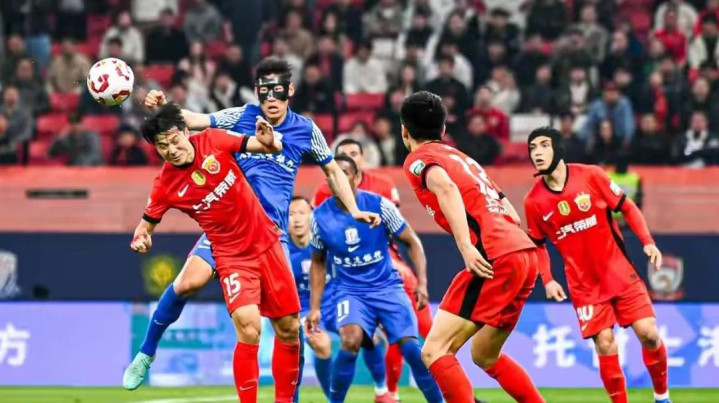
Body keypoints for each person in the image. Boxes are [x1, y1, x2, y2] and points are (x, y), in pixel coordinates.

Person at [124, 58, 380, 403]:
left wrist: (354, 209)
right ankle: (146, 352)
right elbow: (193, 122)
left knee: (288, 327)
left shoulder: (306, 130)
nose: (270, 98)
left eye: (277, 91)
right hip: (224, 230)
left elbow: (333, 171)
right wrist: (162, 106)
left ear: (289, 91)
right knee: (189, 284)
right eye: (264, 91)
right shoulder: (240, 116)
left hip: (269, 231)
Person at [131, 102, 299, 402]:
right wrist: (142, 238)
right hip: (231, 255)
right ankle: (146, 351)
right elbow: (145, 227)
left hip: (267, 242)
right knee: (248, 327)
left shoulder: (213, 139)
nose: (171, 150)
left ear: (185, 132)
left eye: (174, 140)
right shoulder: (165, 185)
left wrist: (269, 140)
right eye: (162, 146)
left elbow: (266, 146)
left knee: (289, 329)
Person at [401, 91, 544, 403]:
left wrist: (466, 246)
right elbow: (509, 211)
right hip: (522, 252)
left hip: (496, 254)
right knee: (485, 354)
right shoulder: (465, 160)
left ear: (404, 131)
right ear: (442, 130)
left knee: (435, 350)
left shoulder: (419, 159)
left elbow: (445, 187)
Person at [524, 127, 670, 403]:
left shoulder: (591, 175)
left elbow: (627, 207)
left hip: (619, 273)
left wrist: (647, 242)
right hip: (584, 286)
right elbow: (537, 244)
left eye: (544, 145)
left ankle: (662, 397)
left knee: (649, 334)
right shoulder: (533, 201)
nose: (537, 153)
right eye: (532, 148)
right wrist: (548, 279)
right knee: (604, 343)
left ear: (558, 149)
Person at [307, 155, 443, 403]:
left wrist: (422, 283)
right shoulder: (318, 218)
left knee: (412, 349)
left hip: (386, 287)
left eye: (344, 172)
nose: (337, 178)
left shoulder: (380, 205)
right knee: (350, 340)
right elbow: (318, 262)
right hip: (349, 291)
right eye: (332, 174)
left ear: (357, 177)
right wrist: (314, 307)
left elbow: (412, 242)